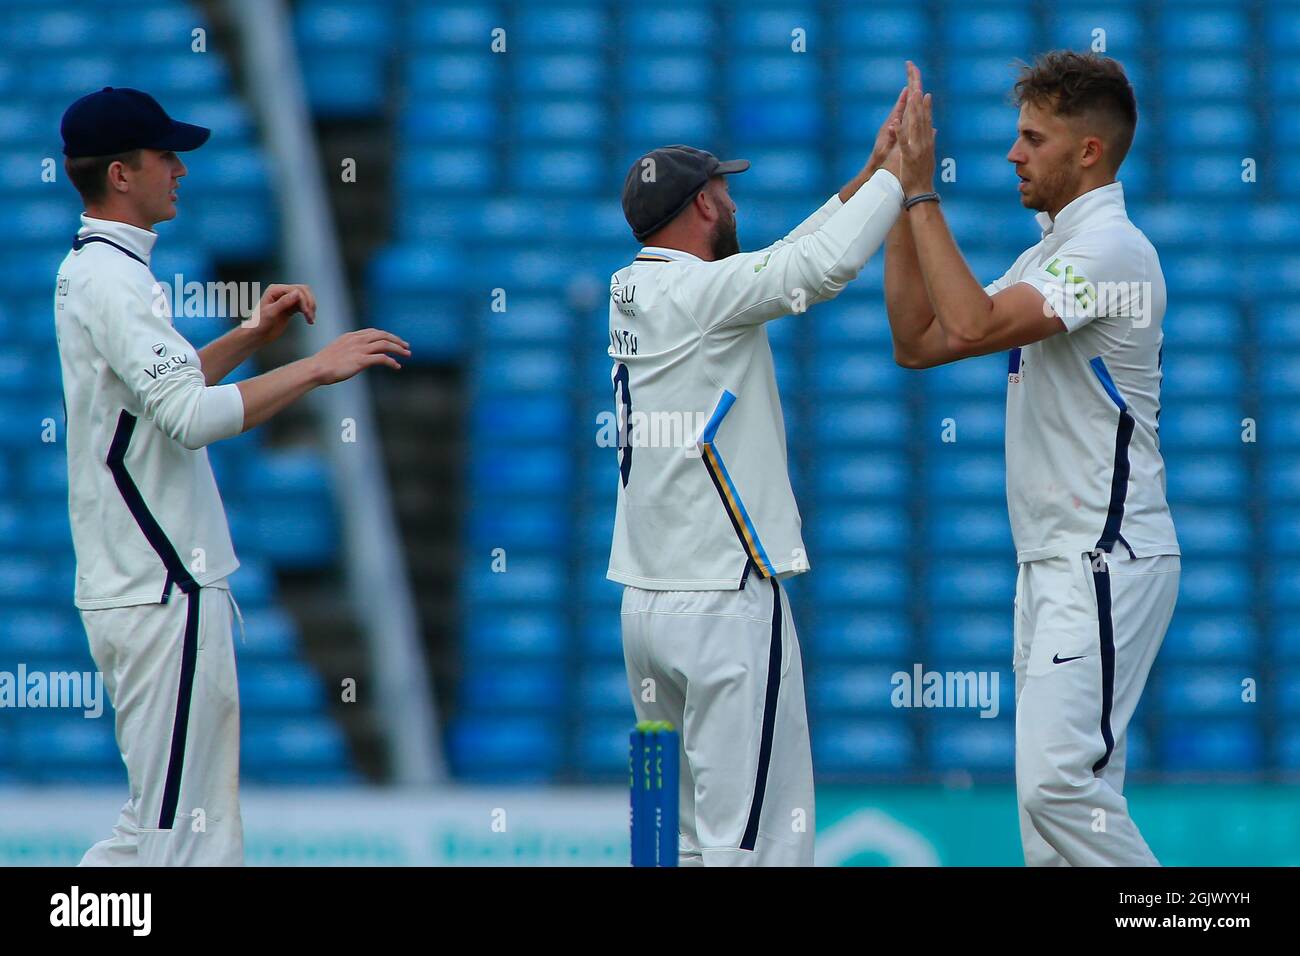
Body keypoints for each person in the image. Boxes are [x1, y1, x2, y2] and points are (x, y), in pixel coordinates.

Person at [55, 87, 410, 865]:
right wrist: (317, 369)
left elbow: (160, 397)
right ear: (122, 173)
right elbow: (191, 417)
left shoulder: (102, 271)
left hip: (146, 584)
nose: (180, 169)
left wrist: (255, 335)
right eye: (165, 155)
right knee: (184, 839)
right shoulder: (110, 281)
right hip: (160, 585)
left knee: (154, 834)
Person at [884, 56, 1178, 866]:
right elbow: (919, 342)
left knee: (1056, 788)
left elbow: (972, 325)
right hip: (1054, 563)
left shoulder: (1111, 251)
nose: (1013, 154)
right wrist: (894, 200)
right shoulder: (1053, 251)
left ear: (1088, 151)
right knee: (1051, 827)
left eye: (1031, 137)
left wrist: (919, 190)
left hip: (1105, 557)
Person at [608, 91, 908, 866]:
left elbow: (775, 265)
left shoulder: (633, 288)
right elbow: (819, 269)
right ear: (705, 204)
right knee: (757, 842)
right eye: (727, 190)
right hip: (721, 601)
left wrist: (865, 174)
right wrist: (900, 179)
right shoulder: (705, 297)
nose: (734, 201)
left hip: (643, 604)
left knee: (663, 840)